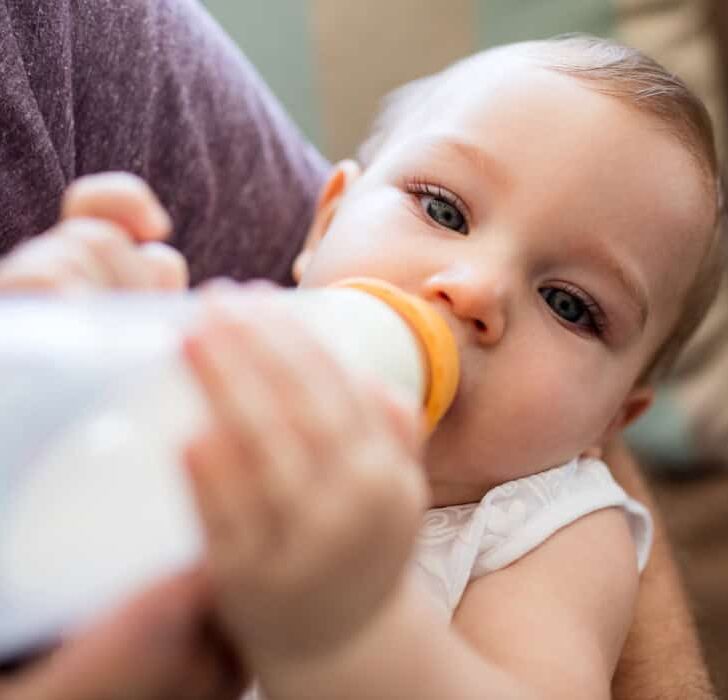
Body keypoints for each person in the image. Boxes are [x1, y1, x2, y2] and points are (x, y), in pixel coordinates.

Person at [0, 34, 720, 698]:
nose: (475, 290)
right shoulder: (228, 351)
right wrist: (65, 348)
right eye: (443, 209)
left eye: (568, 304)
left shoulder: (550, 529)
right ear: (324, 224)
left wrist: (354, 635)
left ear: (611, 418)